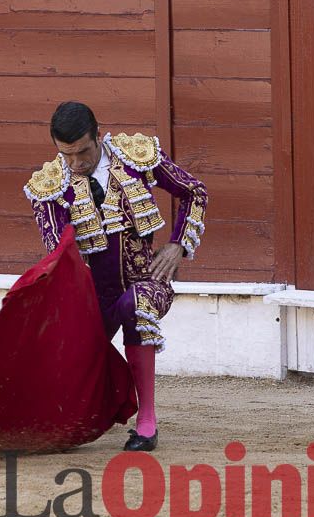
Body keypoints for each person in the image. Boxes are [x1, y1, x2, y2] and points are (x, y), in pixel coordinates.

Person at [25, 101, 207, 451]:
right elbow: (58, 253)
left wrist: (178, 245)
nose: (77, 163)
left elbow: (194, 191)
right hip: (91, 297)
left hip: (146, 280)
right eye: (67, 156)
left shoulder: (135, 158)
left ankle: (147, 422)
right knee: (68, 370)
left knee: (137, 306)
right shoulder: (51, 188)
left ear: (98, 135)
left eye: (84, 152)